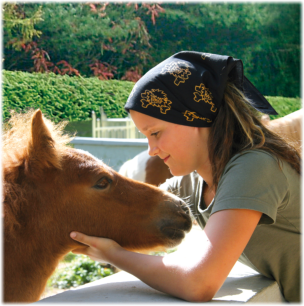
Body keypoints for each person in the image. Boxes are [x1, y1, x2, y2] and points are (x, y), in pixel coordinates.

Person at [1, 51, 303, 305]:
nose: (152, 150)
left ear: (195, 118)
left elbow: (199, 282)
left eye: (155, 133)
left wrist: (116, 256)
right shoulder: (195, 184)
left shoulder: (253, 167)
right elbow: (130, 207)